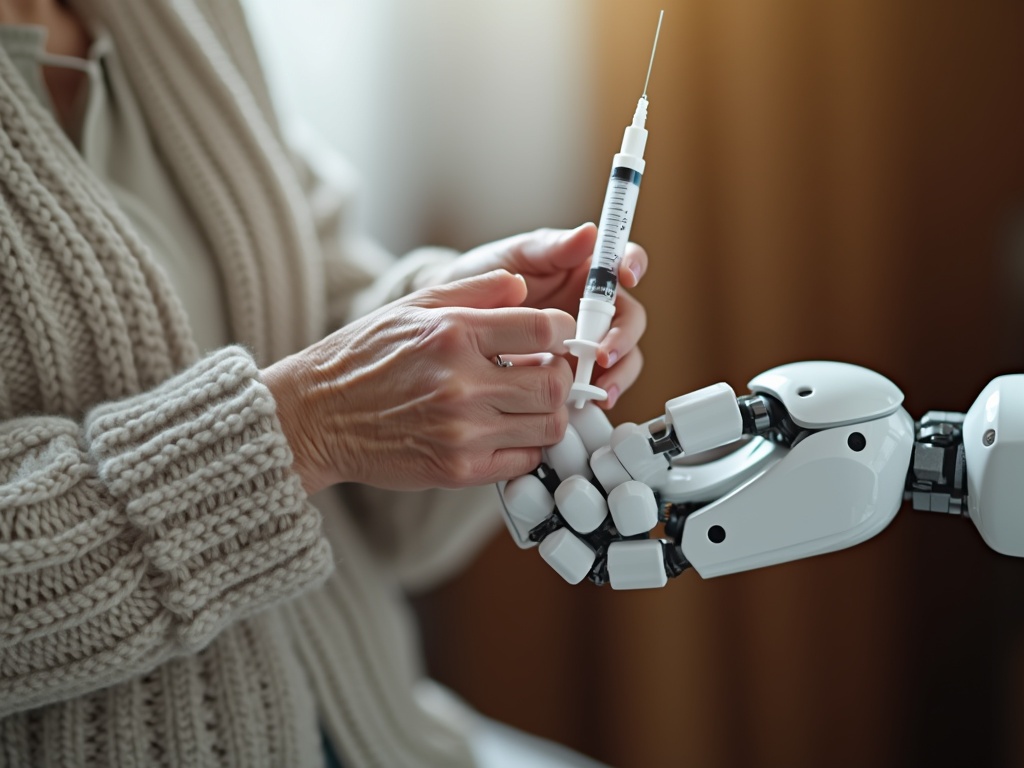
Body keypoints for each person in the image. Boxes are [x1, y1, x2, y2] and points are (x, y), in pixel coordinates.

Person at [0, 1, 648, 766]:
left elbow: (314, 321)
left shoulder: (185, 14)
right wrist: (303, 428)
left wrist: (464, 327)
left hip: (388, 732)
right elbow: (316, 404)